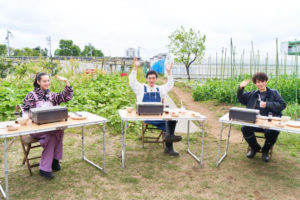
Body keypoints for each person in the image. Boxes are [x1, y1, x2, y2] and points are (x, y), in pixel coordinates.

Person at [23, 72, 73, 179]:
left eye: (48, 81)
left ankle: (54, 160)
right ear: (38, 82)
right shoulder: (31, 95)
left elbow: (66, 97)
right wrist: (33, 118)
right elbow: (26, 113)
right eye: (44, 81)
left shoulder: (51, 95)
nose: (47, 83)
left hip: (50, 127)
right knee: (51, 136)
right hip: (36, 129)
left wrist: (66, 82)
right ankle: (45, 168)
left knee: (60, 130)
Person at [129, 57, 182, 156]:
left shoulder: (160, 89)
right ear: (146, 79)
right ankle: (169, 142)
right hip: (145, 117)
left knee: (172, 119)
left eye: (153, 78)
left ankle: (169, 140)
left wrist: (169, 72)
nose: (151, 80)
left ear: (156, 79)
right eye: (149, 78)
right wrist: (135, 68)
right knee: (168, 124)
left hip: (158, 116)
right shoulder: (140, 88)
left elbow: (170, 85)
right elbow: (132, 82)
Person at [237, 72, 286, 162]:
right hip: (254, 121)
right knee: (245, 128)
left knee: (274, 131)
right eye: (258, 82)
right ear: (255, 83)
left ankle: (265, 150)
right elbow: (241, 99)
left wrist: (268, 104)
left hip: (269, 121)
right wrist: (241, 88)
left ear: (266, 81)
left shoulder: (274, 93)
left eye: (262, 81)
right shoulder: (253, 94)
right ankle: (254, 148)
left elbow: (282, 105)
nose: (260, 84)